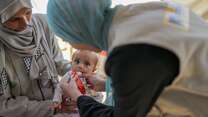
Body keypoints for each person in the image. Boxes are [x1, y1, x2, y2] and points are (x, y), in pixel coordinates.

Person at [47, 0, 208, 117]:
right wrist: (107, 84)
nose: (74, 46)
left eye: (67, 38)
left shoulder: (127, 53)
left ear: (78, 29)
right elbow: (159, 71)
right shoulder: (147, 10)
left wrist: (79, 98)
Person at [0, 0, 74, 117]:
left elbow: (58, 63)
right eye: (14, 19)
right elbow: (3, 105)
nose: (25, 23)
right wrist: (51, 107)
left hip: (58, 106)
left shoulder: (43, 24)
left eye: (28, 12)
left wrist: (78, 72)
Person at [52, 50, 104, 117]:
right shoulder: (68, 75)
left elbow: (99, 97)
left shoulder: (93, 80)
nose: (80, 66)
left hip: (84, 111)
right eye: (77, 61)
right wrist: (57, 99)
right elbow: (59, 87)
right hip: (66, 110)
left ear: (93, 69)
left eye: (87, 64)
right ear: (71, 63)